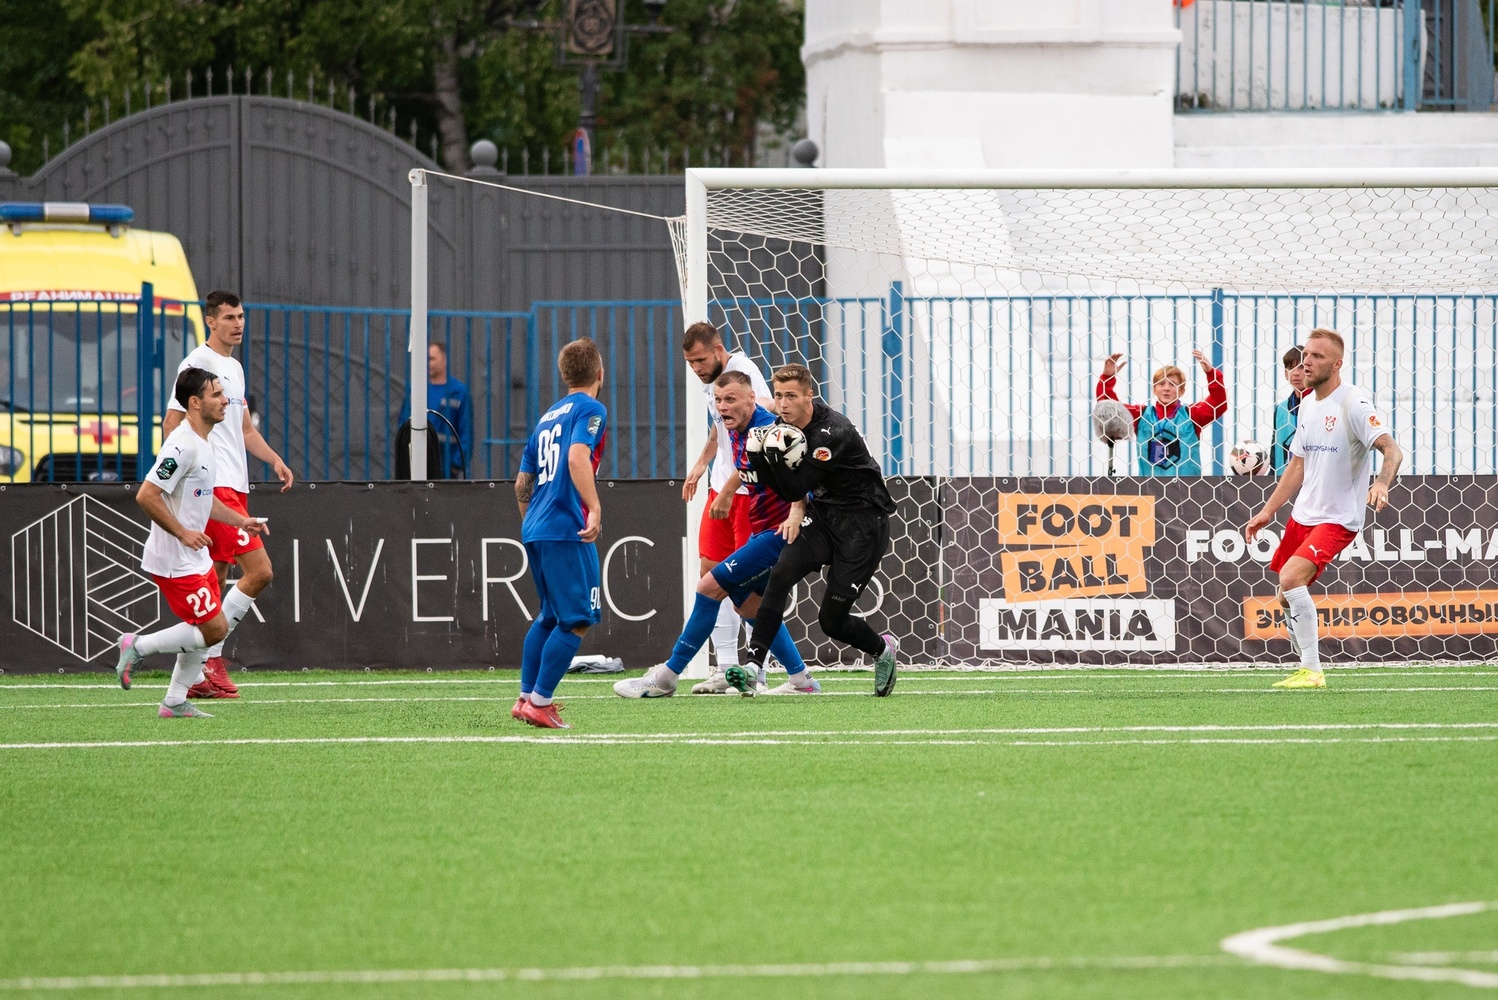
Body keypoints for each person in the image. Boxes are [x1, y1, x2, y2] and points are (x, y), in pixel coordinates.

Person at [614, 371, 813, 698]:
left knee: (709, 587)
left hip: (779, 533)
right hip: (762, 528)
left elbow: (802, 477)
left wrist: (794, 512)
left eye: (731, 399)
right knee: (748, 605)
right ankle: (802, 680)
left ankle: (667, 677)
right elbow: (745, 462)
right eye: (719, 400)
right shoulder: (733, 425)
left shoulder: (770, 432)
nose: (723, 407)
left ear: (751, 398)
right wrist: (715, 479)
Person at [1244, 328, 1402, 690]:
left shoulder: (1353, 403)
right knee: (1285, 596)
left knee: (1290, 579)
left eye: (1316, 356)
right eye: (1305, 355)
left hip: (1338, 517)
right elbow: (1297, 465)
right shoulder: (1307, 404)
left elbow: (1392, 450)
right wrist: (1268, 511)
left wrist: (1381, 483)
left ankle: (1313, 671)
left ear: (1336, 364)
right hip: (1304, 514)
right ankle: (1305, 666)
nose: (1306, 362)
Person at [731, 364, 899, 698]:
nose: (783, 404)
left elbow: (795, 487)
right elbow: (780, 486)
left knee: (832, 621)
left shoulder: (832, 432)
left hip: (863, 525)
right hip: (824, 515)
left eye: (791, 396)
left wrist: (768, 459)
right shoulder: (781, 428)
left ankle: (882, 650)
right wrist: (760, 461)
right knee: (780, 575)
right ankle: (752, 667)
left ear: (809, 395)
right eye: (779, 395)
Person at [162, 291, 294, 697]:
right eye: (229, 318)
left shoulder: (233, 367)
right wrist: (186, 477)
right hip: (214, 486)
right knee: (260, 571)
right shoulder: (196, 364)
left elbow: (245, 429)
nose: (238, 324)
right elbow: (171, 423)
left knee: (214, 584)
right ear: (210, 321)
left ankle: (192, 677)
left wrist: (274, 459)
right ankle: (211, 660)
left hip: (237, 485)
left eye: (241, 316)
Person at [115, 368, 269, 716]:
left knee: (207, 629)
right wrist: (182, 532)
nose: (225, 400)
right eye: (216, 394)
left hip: (195, 557)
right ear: (196, 403)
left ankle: (174, 701)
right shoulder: (181, 445)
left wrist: (241, 520)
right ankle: (137, 645)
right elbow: (147, 494)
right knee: (215, 629)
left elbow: (205, 498)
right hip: (174, 559)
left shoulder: (205, 442)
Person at [511, 338, 608, 729]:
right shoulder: (591, 408)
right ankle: (540, 702)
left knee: (550, 616)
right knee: (577, 620)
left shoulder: (547, 416)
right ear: (600, 373)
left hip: (536, 527)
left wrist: (532, 522)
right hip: (566, 528)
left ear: (564, 375)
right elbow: (576, 456)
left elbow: (523, 482)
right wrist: (594, 507)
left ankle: (526, 697)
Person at [679, 322, 774, 693]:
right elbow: (721, 427)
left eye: (701, 360)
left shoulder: (744, 372)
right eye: (690, 362)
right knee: (710, 575)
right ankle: (725, 667)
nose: (697, 368)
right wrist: (702, 463)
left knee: (746, 589)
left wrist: (732, 488)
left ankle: (759, 671)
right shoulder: (714, 382)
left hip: (746, 495)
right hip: (720, 488)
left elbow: (762, 426)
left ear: (718, 350)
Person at [1096, 349, 1228, 476]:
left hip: (1187, 488)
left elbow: (1219, 403)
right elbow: (1108, 408)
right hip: (1150, 488)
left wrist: (1211, 373)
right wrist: (1107, 378)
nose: (1166, 388)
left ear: (1182, 391)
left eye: (1172, 384)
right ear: (1154, 389)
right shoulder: (1141, 415)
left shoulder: (1191, 415)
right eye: (1161, 384)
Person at [398, 342, 473, 479]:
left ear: (444, 360)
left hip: (446, 468)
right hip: (416, 465)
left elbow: (466, 431)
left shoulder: (459, 392)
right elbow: (404, 424)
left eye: (432, 359)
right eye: (426, 359)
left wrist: (456, 465)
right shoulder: (415, 389)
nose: (428, 363)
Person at [1271, 345, 1307, 475]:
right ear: (1286, 374)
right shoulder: (1281, 410)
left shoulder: (1321, 406)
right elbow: (1274, 455)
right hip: (1284, 481)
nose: (1296, 373)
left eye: (1301, 367)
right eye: (1291, 368)